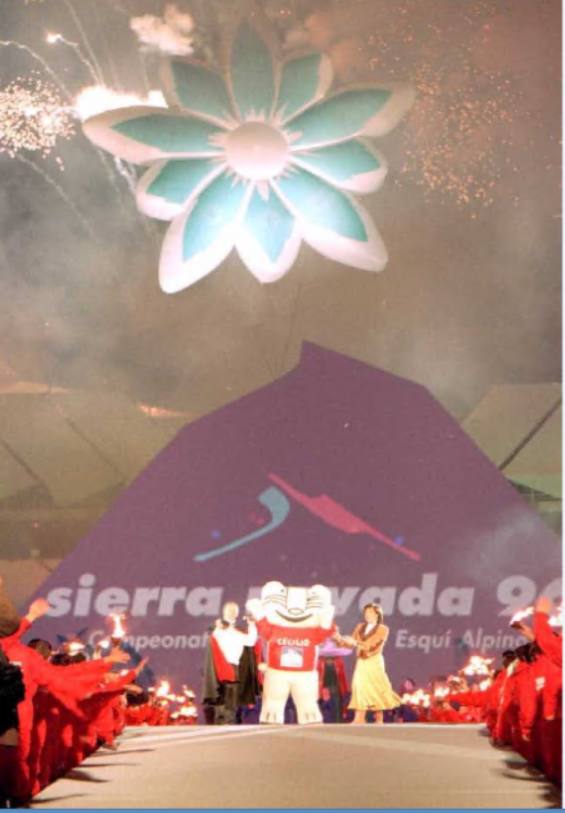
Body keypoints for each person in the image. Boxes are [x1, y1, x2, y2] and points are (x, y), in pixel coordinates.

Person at [336, 603, 401, 724]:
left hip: (374, 660)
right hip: (361, 661)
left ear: (377, 614)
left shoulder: (383, 629)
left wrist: (357, 644)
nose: (367, 615)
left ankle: (379, 716)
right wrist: (340, 639)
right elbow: (351, 642)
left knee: (377, 687)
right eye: (366, 612)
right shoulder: (360, 626)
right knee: (359, 686)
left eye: (370, 612)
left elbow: (374, 645)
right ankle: (359, 717)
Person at [203, 601, 259, 725]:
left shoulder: (237, 633)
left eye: (233, 611)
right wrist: (217, 625)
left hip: (233, 669)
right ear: (224, 612)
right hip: (218, 669)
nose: (231, 612)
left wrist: (252, 624)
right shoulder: (218, 630)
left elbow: (251, 641)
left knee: (230, 706)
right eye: (229, 610)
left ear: (237, 614)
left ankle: (229, 728)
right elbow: (213, 633)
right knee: (220, 706)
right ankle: (221, 728)